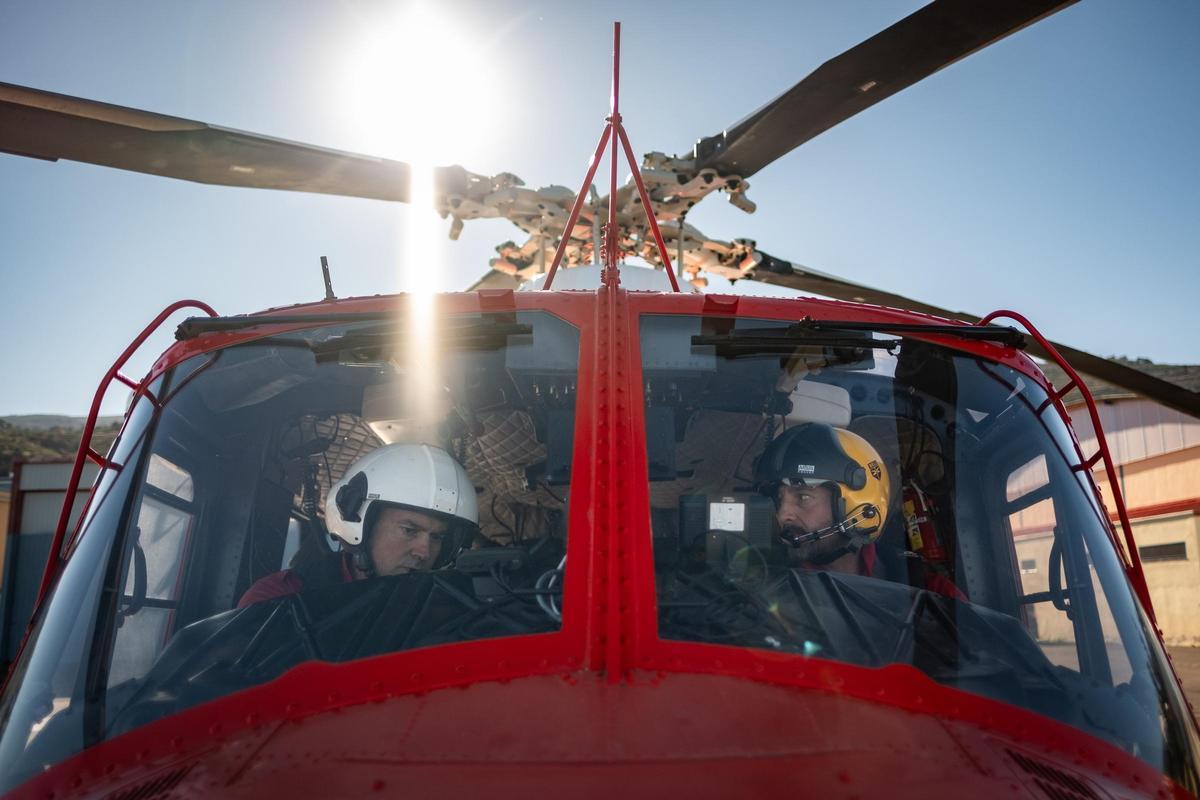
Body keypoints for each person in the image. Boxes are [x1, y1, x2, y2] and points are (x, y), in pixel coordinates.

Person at [238, 443, 478, 608]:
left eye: (437, 537)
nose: (424, 552)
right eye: (410, 530)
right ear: (361, 525)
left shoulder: (448, 612)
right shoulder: (278, 600)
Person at [755, 422, 963, 598]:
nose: (782, 515)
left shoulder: (927, 591)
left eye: (803, 497)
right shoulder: (765, 591)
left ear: (861, 507)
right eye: (779, 499)